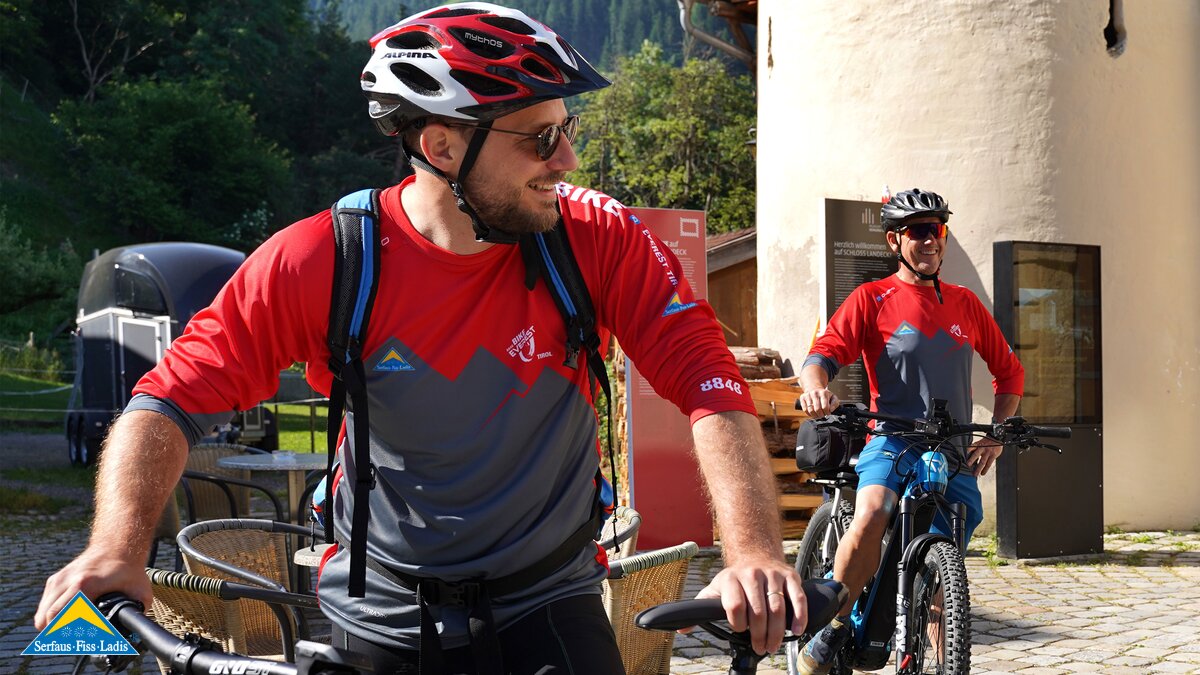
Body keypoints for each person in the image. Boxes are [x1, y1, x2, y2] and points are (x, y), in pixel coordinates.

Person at [36, 4, 804, 673]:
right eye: (539, 139)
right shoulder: (327, 259)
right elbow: (167, 398)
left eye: (567, 131)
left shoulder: (594, 238)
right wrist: (117, 546)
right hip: (379, 613)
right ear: (441, 148)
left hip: (551, 601)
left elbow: (706, 377)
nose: (567, 160)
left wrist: (753, 551)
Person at [792, 188, 1024, 674]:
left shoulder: (964, 303)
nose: (930, 241)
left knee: (943, 582)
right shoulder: (872, 298)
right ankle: (834, 626)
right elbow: (823, 355)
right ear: (895, 241)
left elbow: (1010, 373)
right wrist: (815, 389)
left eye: (936, 230)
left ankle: (939, 659)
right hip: (893, 441)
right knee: (873, 509)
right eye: (919, 232)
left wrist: (997, 435)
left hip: (952, 450)